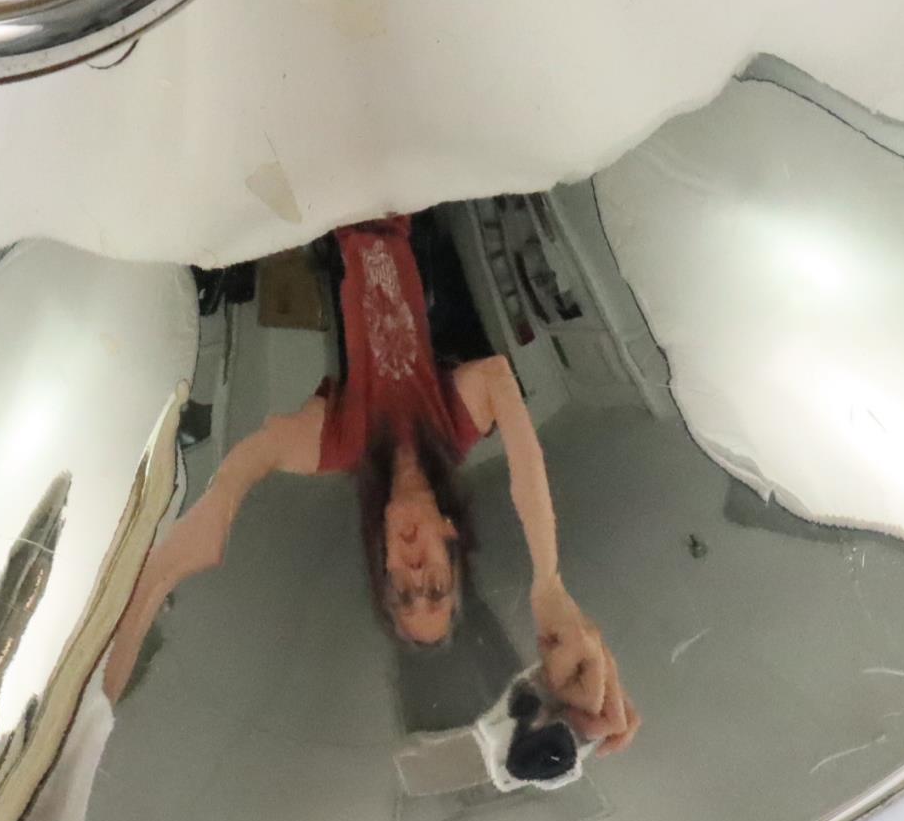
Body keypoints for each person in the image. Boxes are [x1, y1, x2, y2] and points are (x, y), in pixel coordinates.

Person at [103, 216, 637, 753]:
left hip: (332, 209)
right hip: (398, 201)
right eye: (435, 587)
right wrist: (548, 582)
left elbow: (259, 452)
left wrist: (197, 530)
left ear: (383, 562)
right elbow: (500, 381)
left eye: (402, 591)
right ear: (450, 536)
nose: (415, 571)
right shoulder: (456, 424)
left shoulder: (341, 443)